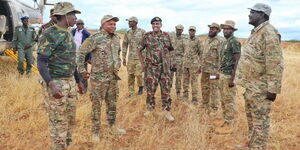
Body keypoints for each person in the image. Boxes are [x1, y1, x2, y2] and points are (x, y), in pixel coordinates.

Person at [235, 3, 284, 149]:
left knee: (260, 123)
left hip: (261, 89)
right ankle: (251, 144)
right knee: (252, 119)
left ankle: (258, 147)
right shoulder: (256, 32)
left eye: (253, 12)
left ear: (262, 15)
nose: (249, 15)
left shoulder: (269, 33)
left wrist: (273, 89)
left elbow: (275, 62)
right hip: (251, 86)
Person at [37, 2, 84, 149]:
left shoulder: (68, 33)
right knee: (58, 122)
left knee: (70, 120)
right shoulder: (49, 33)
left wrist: (78, 81)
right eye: (72, 15)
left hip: (70, 83)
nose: (75, 18)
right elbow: (41, 61)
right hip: (56, 83)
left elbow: (71, 60)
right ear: (63, 16)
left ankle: (66, 146)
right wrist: (52, 85)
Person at [77, 15, 126, 142]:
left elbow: (118, 52)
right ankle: (95, 132)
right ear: (103, 24)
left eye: (114, 24)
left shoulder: (116, 38)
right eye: (110, 24)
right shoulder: (95, 38)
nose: (113, 26)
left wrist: (118, 62)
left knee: (112, 104)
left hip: (113, 78)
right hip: (98, 79)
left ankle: (112, 126)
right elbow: (81, 53)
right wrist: (82, 70)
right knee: (96, 106)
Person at [137, 17, 175, 121]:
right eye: (153, 24)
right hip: (151, 68)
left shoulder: (167, 36)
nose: (155, 25)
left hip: (165, 69)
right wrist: (143, 64)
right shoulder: (147, 36)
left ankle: (167, 111)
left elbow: (171, 50)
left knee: (166, 90)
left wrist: (170, 63)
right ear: (151, 25)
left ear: (161, 25)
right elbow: (139, 49)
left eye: (157, 23)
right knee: (150, 90)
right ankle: (150, 109)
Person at [214, 20, 241, 135]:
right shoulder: (225, 42)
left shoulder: (234, 42)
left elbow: (237, 60)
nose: (225, 31)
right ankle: (226, 121)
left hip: (229, 75)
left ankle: (230, 124)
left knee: (229, 100)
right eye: (224, 29)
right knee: (223, 99)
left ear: (232, 30)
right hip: (222, 75)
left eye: (228, 29)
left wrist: (232, 78)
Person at [201, 23, 222, 115]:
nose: (211, 30)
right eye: (210, 28)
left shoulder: (219, 41)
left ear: (217, 31)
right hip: (205, 70)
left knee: (214, 88)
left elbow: (222, 57)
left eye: (213, 29)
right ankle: (205, 104)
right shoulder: (207, 40)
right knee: (204, 87)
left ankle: (214, 108)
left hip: (214, 71)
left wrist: (219, 72)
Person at [122, 16, 145, 97]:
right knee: (130, 75)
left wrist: (145, 58)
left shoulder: (142, 32)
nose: (128, 23)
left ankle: (141, 87)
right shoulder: (127, 33)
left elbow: (146, 45)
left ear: (135, 22)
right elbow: (124, 45)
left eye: (130, 21)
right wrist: (124, 58)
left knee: (138, 74)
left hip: (140, 58)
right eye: (128, 21)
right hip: (131, 58)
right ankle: (131, 92)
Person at [182, 26, 202, 104]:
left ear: (195, 32)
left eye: (193, 31)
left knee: (194, 82)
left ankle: (194, 99)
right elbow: (184, 51)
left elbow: (201, 53)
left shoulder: (198, 40)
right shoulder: (186, 40)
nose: (191, 32)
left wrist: (200, 66)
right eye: (190, 30)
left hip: (194, 65)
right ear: (188, 31)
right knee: (185, 81)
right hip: (185, 64)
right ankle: (185, 96)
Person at [71, 19, 91, 89]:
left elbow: (90, 47)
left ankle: (84, 89)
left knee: (83, 73)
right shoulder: (72, 32)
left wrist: (89, 58)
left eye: (81, 24)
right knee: (73, 72)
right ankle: (74, 88)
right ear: (76, 25)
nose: (80, 25)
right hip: (73, 55)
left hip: (82, 57)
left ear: (83, 24)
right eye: (78, 24)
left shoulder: (87, 34)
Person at [170, 24, 185, 99]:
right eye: (177, 29)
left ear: (182, 30)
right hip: (171, 61)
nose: (178, 30)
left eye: (180, 29)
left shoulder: (184, 39)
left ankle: (178, 93)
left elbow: (186, 51)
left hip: (180, 61)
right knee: (169, 77)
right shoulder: (171, 37)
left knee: (178, 77)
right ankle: (168, 92)